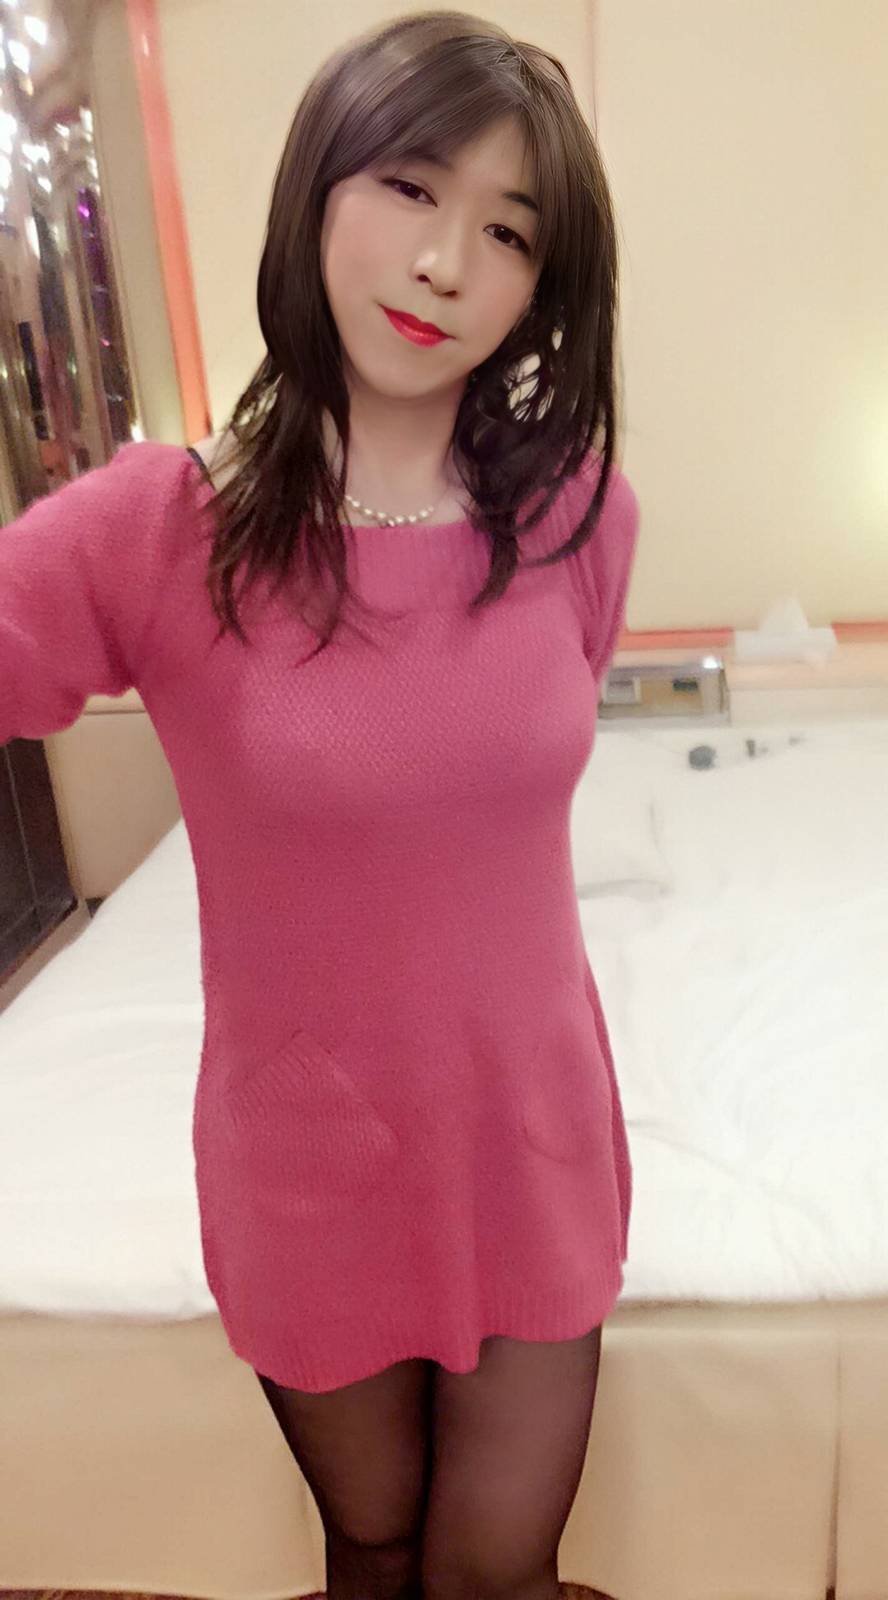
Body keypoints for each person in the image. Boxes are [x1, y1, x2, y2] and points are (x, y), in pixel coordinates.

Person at [0, 10, 641, 1598]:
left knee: (497, 1571)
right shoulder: (163, 529)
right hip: (310, 1158)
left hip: (531, 1137)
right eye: (411, 187)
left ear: (543, 286)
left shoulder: (581, 514)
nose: (444, 264)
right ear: (319, 188)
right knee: (372, 1551)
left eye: (508, 232)